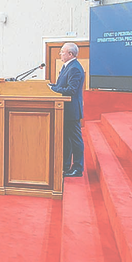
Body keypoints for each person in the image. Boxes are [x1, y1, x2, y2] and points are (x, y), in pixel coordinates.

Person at [49, 42, 85, 177]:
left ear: (70, 54)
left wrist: (53, 89)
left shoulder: (74, 68)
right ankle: (65, 166)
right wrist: (51, 86)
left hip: (71, 110)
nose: (60, 54)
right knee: (67, 140)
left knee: (75, 140)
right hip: (65, 109)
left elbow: (71, 90)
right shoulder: (67, 66)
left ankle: (77, 168)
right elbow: (62, 85)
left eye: (62, 52)